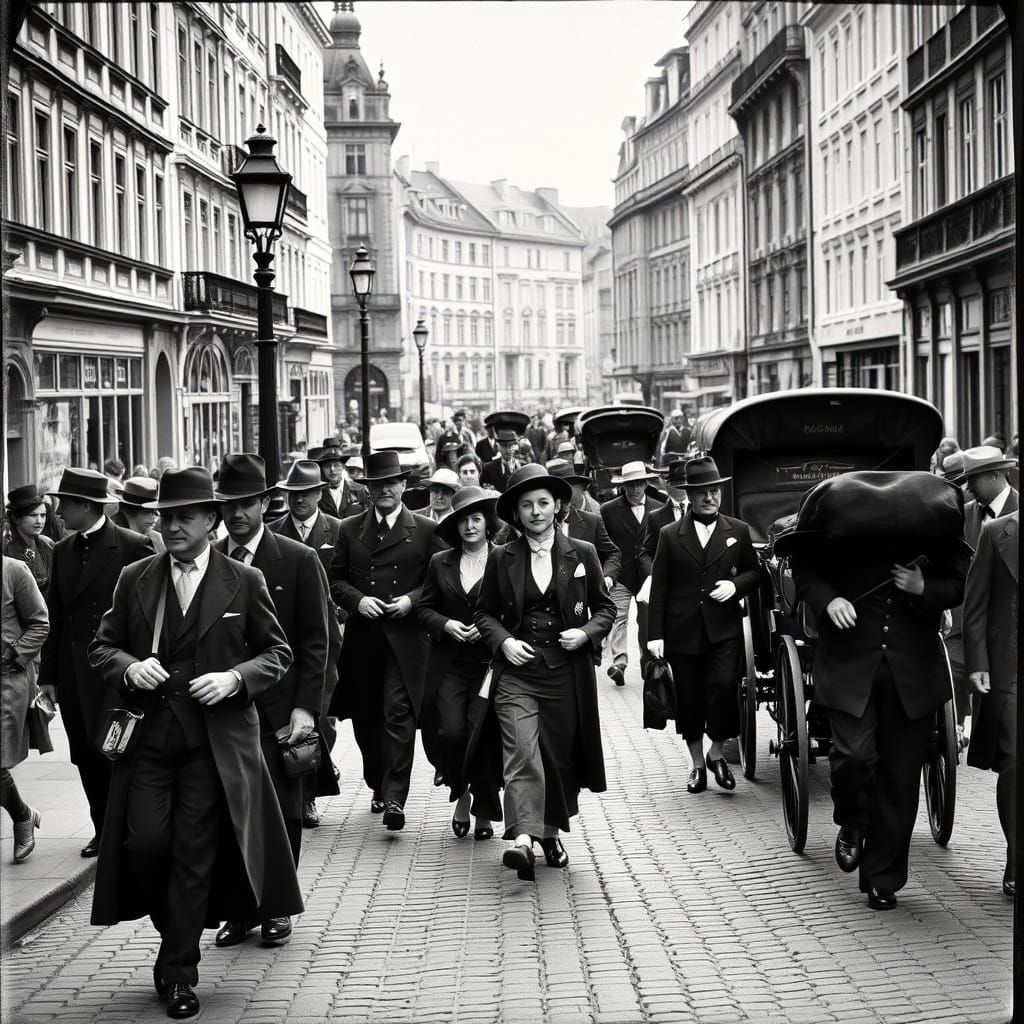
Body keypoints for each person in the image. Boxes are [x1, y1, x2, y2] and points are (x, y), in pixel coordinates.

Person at [87, 466, 300, 1020]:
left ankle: (180, 969)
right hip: (149, 741)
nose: (173, 526)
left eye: (184, 517)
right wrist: (131, 668)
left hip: (215, 745)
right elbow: (102, 647)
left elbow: (277, 654)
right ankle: (173, 932)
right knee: (148, 844)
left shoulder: (242, 581)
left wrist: (235, 679)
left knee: (195, 854)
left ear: (211, 519)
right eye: (165, 517)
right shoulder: (136, 576)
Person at [790, 474, 970, 911]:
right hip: (851, 665)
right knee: (852, 756)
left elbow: (959, 582)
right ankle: (851, 821)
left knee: (901, 778)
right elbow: (804, 568)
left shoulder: (934, 531)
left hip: (913, 671)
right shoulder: (841, 526)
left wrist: (925, 588)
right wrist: (828, 601)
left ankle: (882, 878)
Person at [470, 464, 615, 880]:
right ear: (515, 513)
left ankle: (549, 833)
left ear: (557, 507)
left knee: (556, 758)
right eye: (527, 505)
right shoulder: (502, 558)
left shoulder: (582, 553)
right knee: (520, 751)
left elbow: (605, 607)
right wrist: (503, 641)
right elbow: (484, 613)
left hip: (566, 674)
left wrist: (586, 634)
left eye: (543, 503)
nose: (535, 512)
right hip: (517, 673)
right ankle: (521, 839)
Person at [212, 454, 330, 949]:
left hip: (281, 709)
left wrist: (307, 707)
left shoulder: (298, 559)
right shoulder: (210, 559)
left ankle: (278, 907)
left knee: (284, 811)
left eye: (247, 503)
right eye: (228, 505)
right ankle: (239, 911)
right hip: (222, 710)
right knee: (228, 809)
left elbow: (318, 641)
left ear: (265, 503)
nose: (237, 515)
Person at [37, 468, 151, 858]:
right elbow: (57, 616)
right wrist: (48, 676)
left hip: (118, 672)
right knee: (84, 753)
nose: (58, 511)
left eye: (63, 504)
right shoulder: (62, 550)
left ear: (85, 506)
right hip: (73, 673)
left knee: (116, 748)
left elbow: (150, 612)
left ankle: (127, 828)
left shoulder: (132, 545)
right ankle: (102, 828)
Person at [329, 450, 443, 830]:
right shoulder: (349, 529)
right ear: (367, 490)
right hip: (364, 638)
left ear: (404, 485)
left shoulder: (425, 529)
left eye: (391, 483)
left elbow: (438, 580)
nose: (384, 490)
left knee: (398, 712)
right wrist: (358, 601)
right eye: (377, 485)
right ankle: (377, 781)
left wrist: (411, 600)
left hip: (406, 639)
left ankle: (395, 797)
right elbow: (336, 579)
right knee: (365, 718)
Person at [646, 456, 760, 793]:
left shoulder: (737, 530)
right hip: (683, 632)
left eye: (714, 491)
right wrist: (655, 635)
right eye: (702, 492)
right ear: (690, 496)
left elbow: (755, 573)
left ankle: (717, 752)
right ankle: (697, 765)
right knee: (690, 698)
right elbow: (660, 587)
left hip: (724, 629)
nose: (709, 498)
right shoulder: (670, 534)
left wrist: (735, 586)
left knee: (725, 688)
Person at [418, 487, 501, 841]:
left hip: (490, 664)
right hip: (450, 662)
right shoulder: (441, 563)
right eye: (463, 520)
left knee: (481, 735)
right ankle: (460, 791)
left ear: (487, 523)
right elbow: (424, 609)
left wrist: (490, 632)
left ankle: (483, 808)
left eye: (476, 519)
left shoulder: (505, 559)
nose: (470, 526)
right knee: (450, 732)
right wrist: (447, 625)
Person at [269, 458, 344, 829]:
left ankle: (312, 787)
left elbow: (347, 576)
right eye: (292, 495)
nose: (299, 501)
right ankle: (307, 798)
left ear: (319, 494)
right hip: (279, 642)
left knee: (321, 722)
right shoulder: (273, 532)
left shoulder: (337, 530)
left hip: (324, 639)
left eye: (306, 494)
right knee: (295, 726)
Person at [963, 511, 1018, 897]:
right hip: (1009, 667)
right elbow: (976, 603)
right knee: (1016, 759)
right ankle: (1017, 858)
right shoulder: (996, 532)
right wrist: (979, 663)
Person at [2, 558, 49, 864]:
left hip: (7, 681)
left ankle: (21, 817)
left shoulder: (14, 570)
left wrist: (13, 653)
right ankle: (23, 814)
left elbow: (40, 622)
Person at [600, 461, 664, 686]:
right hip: (621, 573)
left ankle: (648, 662)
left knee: (646, 620)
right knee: (618, 617)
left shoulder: (659, 507)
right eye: (631, 485)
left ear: (647, 483)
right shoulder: (608, 510)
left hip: (649, 574)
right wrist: (606, 573)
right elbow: (604, 544)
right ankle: (619, 663)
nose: (636, 489)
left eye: (640, 484)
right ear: (623, 486)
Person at [4, 485, 55, 598]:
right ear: (16, 518)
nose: (39, 521)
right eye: (33, 515)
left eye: (42, 515)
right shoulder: (7, 550)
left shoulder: (47, 544)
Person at [318, 440, 367, 519]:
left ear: (343, 466)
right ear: (322, 469)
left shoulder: (359, 490)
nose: (332, 470)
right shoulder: (317, 494)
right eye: (327, 466)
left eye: (336, 465)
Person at [114, 476, 166, 552]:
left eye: (156, 511)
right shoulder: (113, 537)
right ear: (130, 510)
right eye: (148, 511)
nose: (154, 517)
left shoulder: (155, 538)